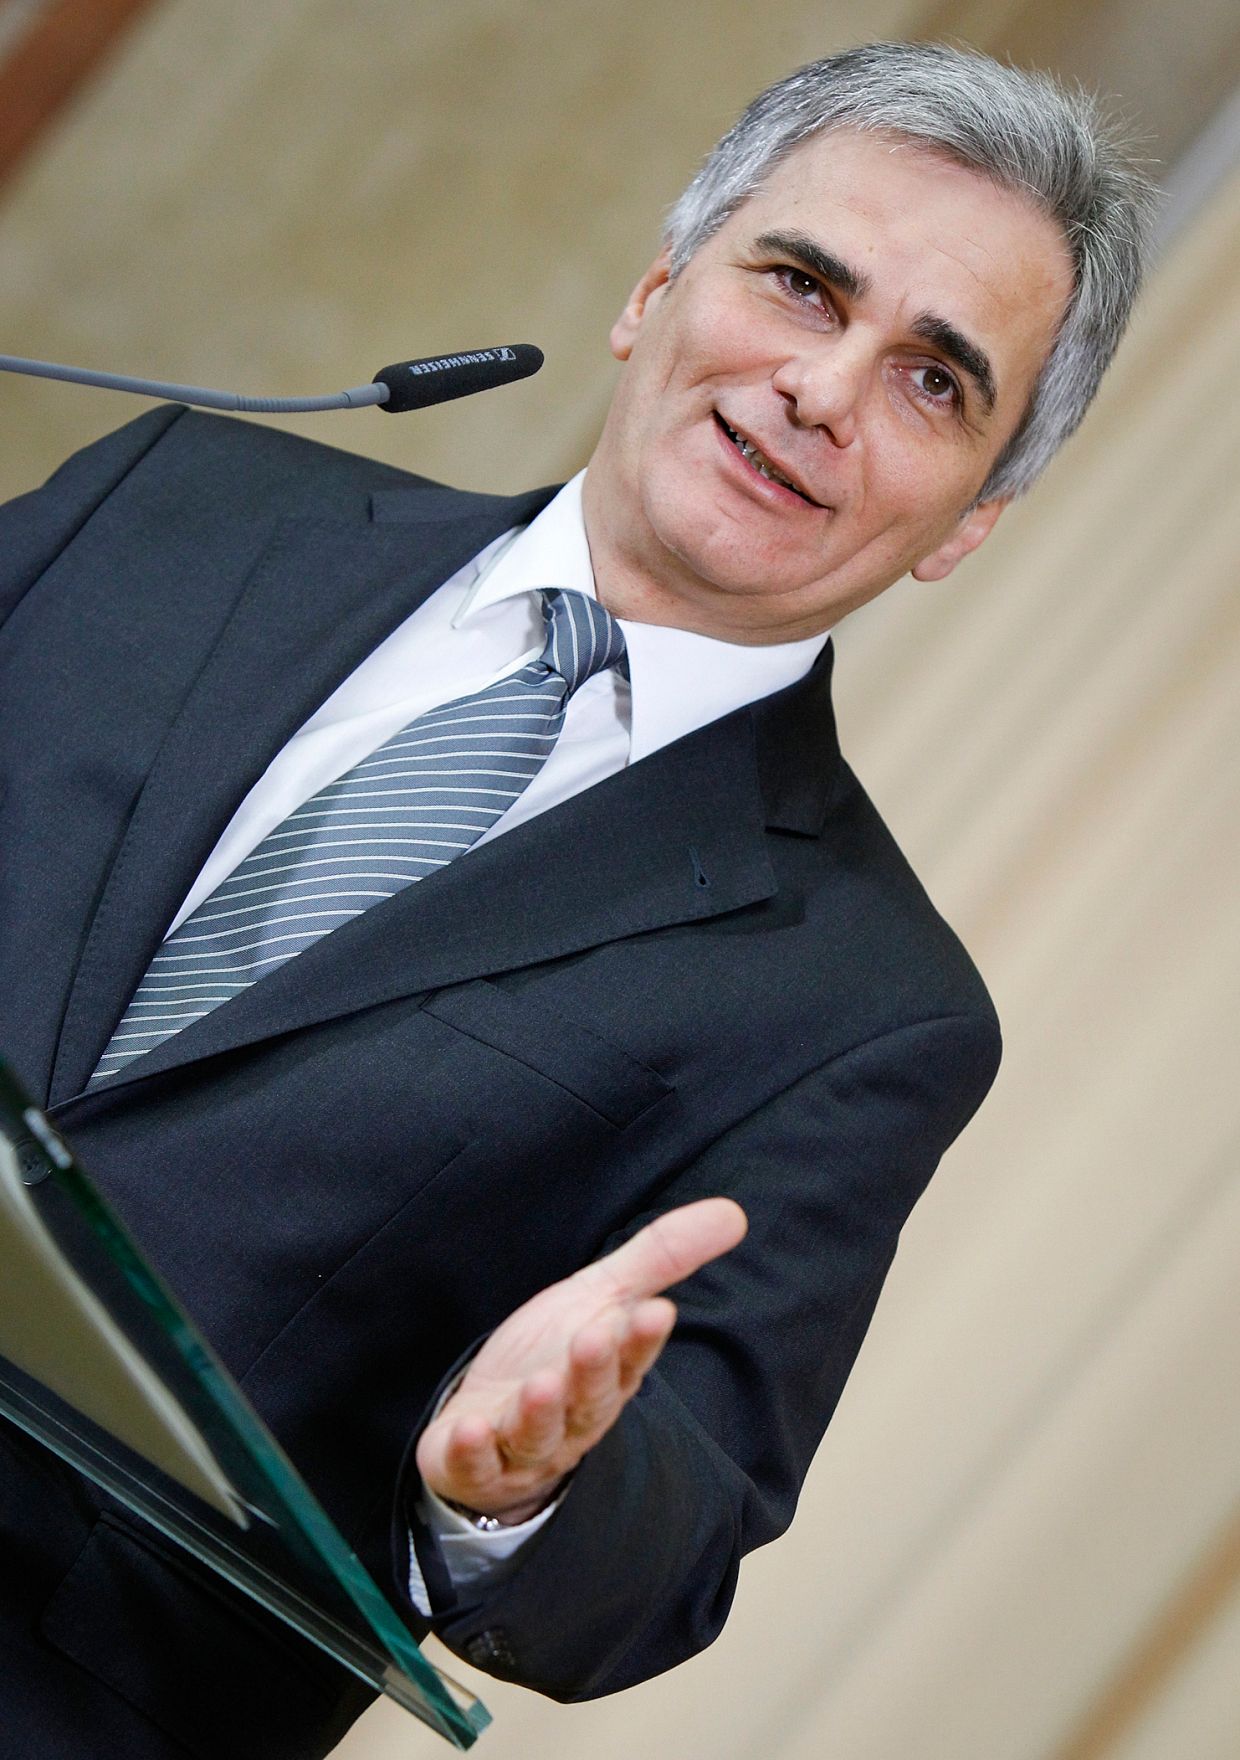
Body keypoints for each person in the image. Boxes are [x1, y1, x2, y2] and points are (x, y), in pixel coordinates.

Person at [0, 39, 1153, 1760]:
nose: (823, 387)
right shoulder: (185, 498)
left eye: (933, 380)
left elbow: (670, 1541)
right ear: (654, 289)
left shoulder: (864, 1008)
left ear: (968, 523)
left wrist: (527, 1485)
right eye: (800, 283)